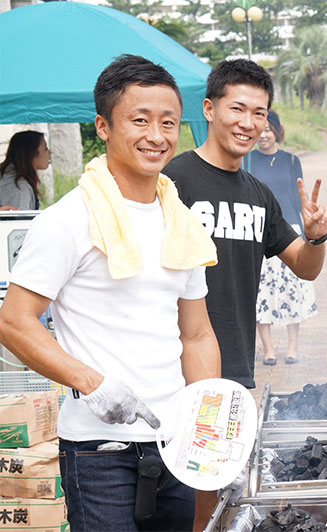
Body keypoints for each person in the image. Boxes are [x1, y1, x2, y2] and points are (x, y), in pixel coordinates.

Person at [0, 54, 220, 531]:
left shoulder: (181, 220)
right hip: (99, 451)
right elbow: (15, 322)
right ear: (102, 126)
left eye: (167, 122)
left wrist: (207, 426)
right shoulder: (67, 219)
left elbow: (197, 335)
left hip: (174, 440)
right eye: (139, 121)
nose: (156, 136)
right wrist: (92, 383)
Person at [164, 58, 327, 391]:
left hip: (237, 362)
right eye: (237, 109)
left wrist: (316, 237)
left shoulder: (259, 194)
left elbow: (304, 266)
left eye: (259, 113)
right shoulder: (172, 182)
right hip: (175, 365)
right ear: (209, 109)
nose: (248, 123)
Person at [242, 110, 317, 366]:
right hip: (257, 230)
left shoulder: (292, 160)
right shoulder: (246, 161)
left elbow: (300, 198)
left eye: (268, 130)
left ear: (276, 132)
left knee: (291, 289)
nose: (263, 135)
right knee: (262, 290)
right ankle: (268, 348)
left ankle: (293, 346)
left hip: (290, 229)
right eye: (260, 130)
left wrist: (308, 234)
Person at [0, 130, 50, 210]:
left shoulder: (11, 176)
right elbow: (20, 220)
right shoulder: (18, 187)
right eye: (45, 148)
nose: (49, 153)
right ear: (32, 153)